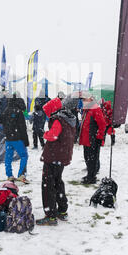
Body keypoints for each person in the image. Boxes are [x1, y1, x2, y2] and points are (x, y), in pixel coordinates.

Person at [36, 97, 76, 226]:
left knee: (48, 185)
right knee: (58, 182)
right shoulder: (68, 118)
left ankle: (50, 215)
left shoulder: (57, 119)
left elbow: (53, 135)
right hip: (62, 156)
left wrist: (44, 134)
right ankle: (62, 210)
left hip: (54, 156)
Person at [78, 92, 106, 184]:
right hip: (87, 139)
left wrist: (99, 137)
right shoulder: (87, 109)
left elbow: (102, 124)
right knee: (87, 157)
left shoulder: (95, 109)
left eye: (85, 99)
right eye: (82, 99)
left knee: (92, 159)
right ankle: (90, 174)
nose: (83, 101)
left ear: (90, 99)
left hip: (92, 139)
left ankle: (91, 177)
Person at [1, 93, 29, 183]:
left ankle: (9, 175)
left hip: (8, 138)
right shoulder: (18, 112)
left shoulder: (5, 111)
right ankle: (21, 175)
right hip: (17, 138)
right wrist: (26, 141)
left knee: (8, 157)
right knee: (24, 156)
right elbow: (22, 128)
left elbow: (3, 125)